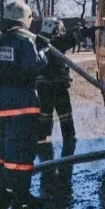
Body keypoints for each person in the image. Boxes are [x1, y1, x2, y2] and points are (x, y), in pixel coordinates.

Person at [0, 0, 48, 209]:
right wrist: (43, 51)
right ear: (26, 20)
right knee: (22, 152)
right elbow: (34, 68)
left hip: (0, 103)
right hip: (21, 103)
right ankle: (21, 197)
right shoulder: (25, 41)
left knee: (4, 148)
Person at [35, 17, 78, 187]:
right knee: (65, 113)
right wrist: (78, 30)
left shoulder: (38, 41)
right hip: (58, 85)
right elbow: (73, 38)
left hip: (43, 86)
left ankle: (43, 137)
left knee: (45, 113)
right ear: (56, 29)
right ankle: (69, 137)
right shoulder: (58, 42)